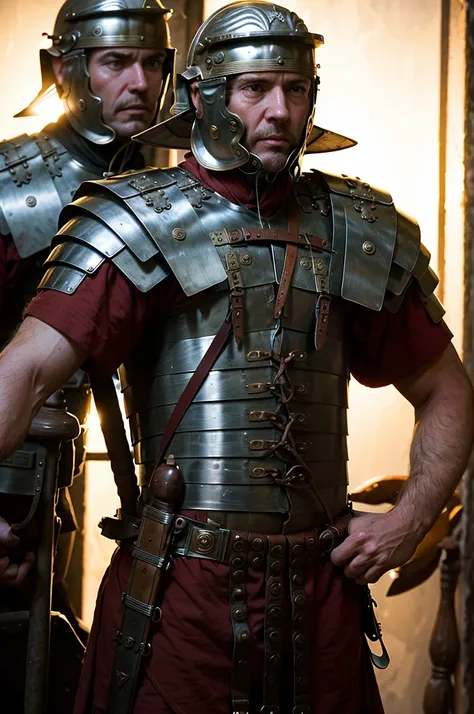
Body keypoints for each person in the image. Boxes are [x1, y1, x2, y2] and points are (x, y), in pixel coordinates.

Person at [0, 1, 472, 713]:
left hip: (322, 597)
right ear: (204, 96)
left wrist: (409, 521)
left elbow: (448, 392)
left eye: (296, 87)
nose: (280, 110)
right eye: (256, 89)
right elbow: (24, 372)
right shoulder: (136, 219)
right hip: (181, 594)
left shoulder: (359, 227)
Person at [0, 0, 174, 709]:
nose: (140, 81)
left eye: (154, 62)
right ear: (62, 70)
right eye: (115, 62)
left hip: (97, 485)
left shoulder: (170, 191)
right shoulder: (14, 191)